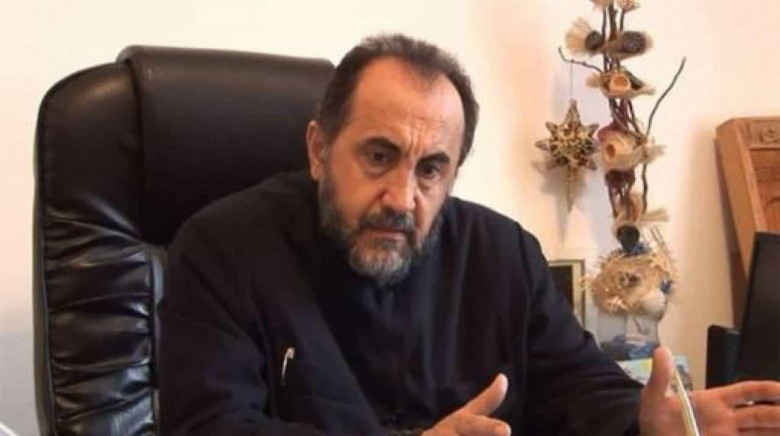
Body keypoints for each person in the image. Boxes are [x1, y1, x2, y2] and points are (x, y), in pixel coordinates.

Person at [159, 34, 780, 435]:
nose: (402, 198)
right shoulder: (223, 249)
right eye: (378, 156)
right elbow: (210, 426)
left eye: (431, 169)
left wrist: (648, 424)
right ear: (320, 150)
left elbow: (577, 385)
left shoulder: (503, 254)